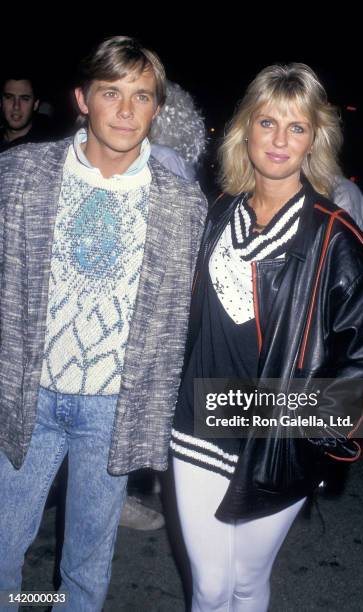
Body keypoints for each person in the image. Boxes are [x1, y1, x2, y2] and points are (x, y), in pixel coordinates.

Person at [0, 36, 207, 610]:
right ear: (82, 98)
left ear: (156, 109)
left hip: (111, 408)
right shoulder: (19, 175)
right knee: (2, 550)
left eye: (140, 96)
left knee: (87, 566)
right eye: (110, 92)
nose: (124, 109)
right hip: (26, 395)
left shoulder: (180, 204)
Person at [170, 63, 363, 611]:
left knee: (245, 578)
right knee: (211, 584)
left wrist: (310, 438)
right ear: (246, 130)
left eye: (296, 127)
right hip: (201, 419)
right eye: (267, 123)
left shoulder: (335, 238)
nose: (279, 140)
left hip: (277, 440)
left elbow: (360, 359)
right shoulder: (220, 212)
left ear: (316, 138)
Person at [119, 79, 207, 531]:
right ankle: (138, 483)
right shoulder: (172, 161)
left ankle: (135, 481)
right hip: (158, 298)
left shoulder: (130, 157)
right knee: (149, 395)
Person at [0, 74, 51, 151]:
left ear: (35, 104)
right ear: (0, 102)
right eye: (9, 97)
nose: (16, 106)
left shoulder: (49, 147)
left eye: (24, 99)